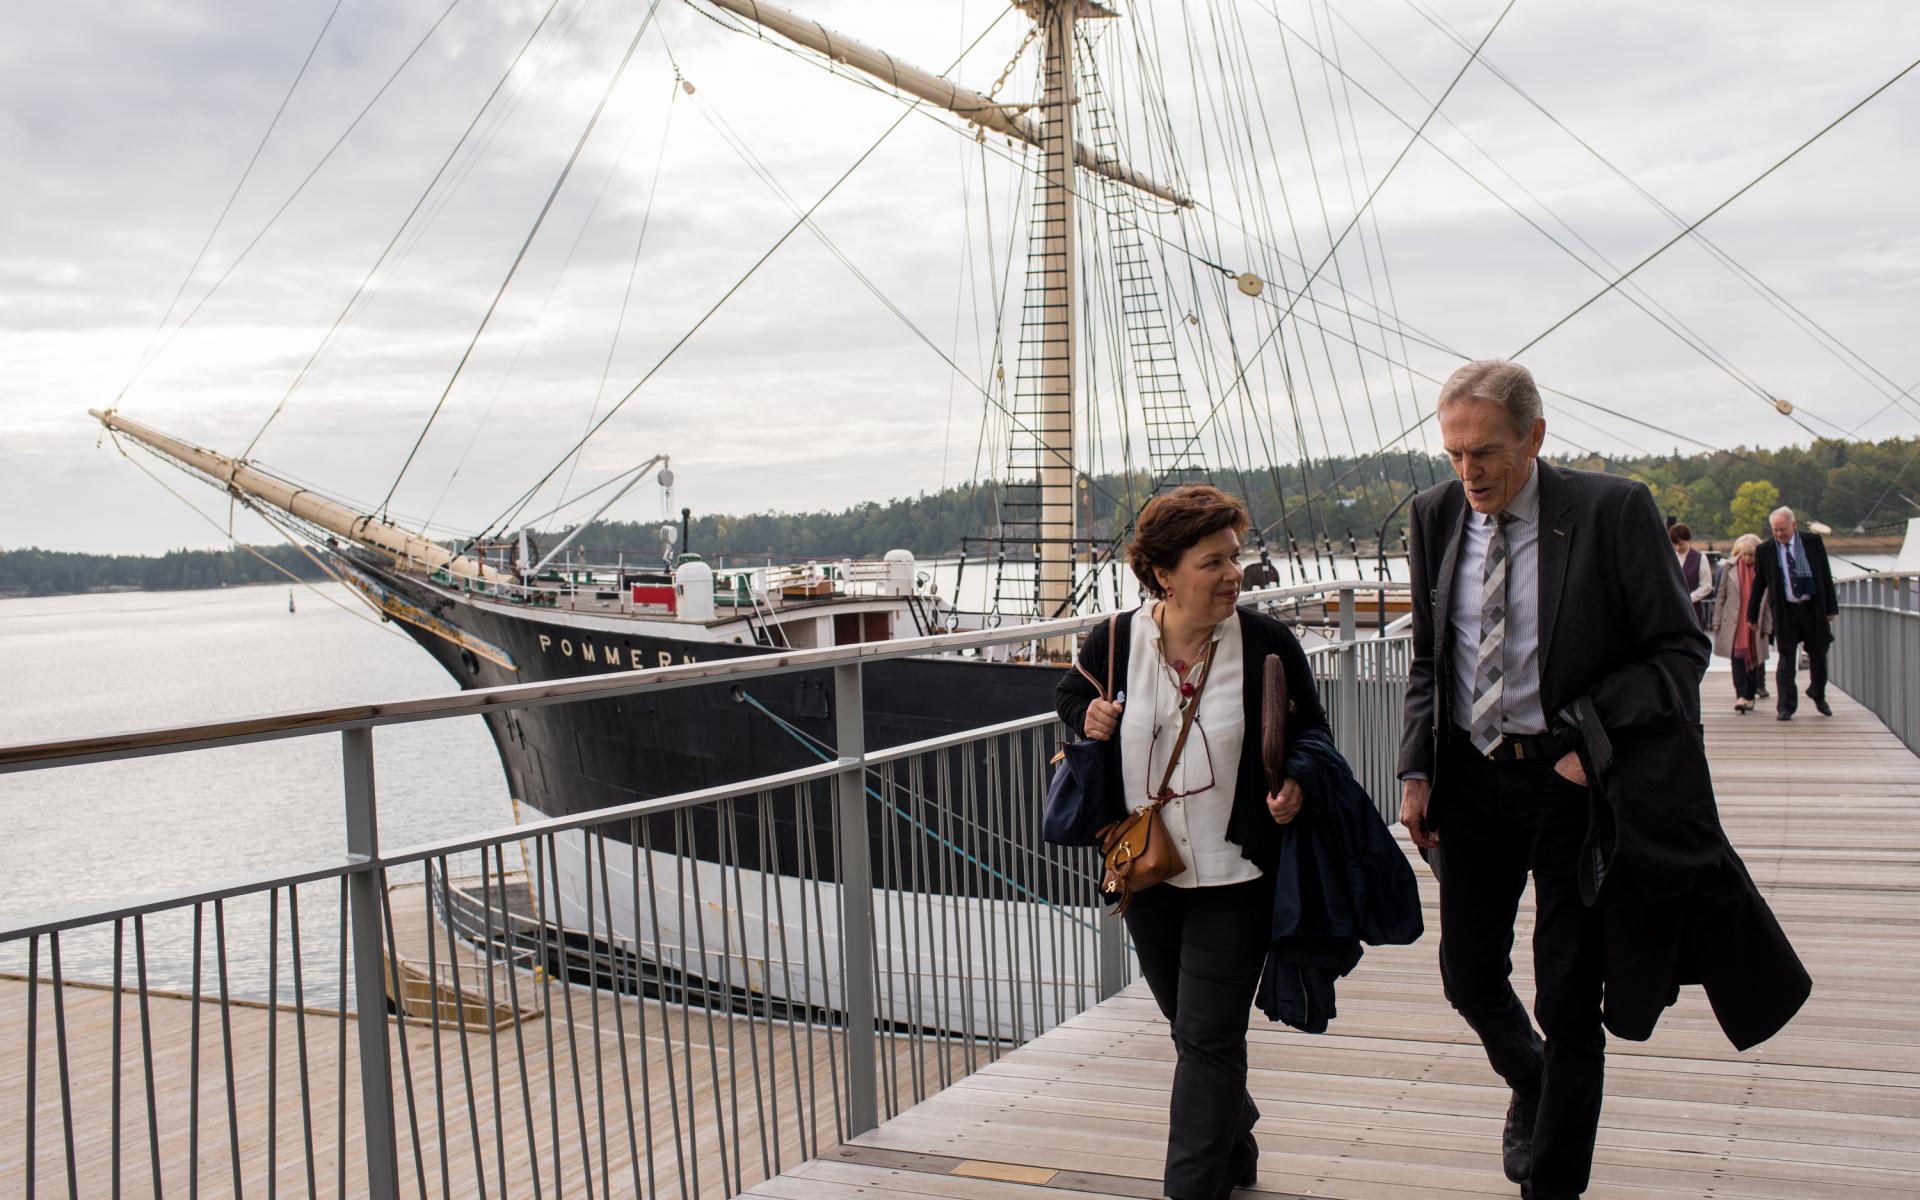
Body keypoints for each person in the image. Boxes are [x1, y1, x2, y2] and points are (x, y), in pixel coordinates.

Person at [1396, 361, 1714, 1198]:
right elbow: (1430, 661)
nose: (1471, 473)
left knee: (1569, 998)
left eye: (1488, 453)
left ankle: (1555, 1180)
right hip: (1469, 781)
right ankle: (1534, 1083)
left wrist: (1591, 735)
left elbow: (1680, 653)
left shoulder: (1612, 512)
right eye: (1456, 453)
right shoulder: (1434, 517)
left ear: (1536, 437)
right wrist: (1416, 769)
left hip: (1571, 785)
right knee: (1468, 975)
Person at [1056, 483, 1328, 1200]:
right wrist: (1088, 718)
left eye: (1235, 557)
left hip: (1237, 872)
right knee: (1191, 1030)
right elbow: (1070, 698)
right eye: (1213, 562)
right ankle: (1234, 1141)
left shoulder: (1268, 645)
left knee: (1209, 1040)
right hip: (1145, 871)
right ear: (1164, 575)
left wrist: (1298, 777)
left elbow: (1313, 735)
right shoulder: (1114, 641)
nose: (1234, 574)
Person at [1747, 505, 1838, 720]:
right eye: (1775, 530)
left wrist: (1831, 608)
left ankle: (1818, 693)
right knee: (1786, 660)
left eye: (1783, 530)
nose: (1779, 535)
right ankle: (1786, 706)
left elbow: (1825, 574)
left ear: (1793, 525)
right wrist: (1752, 616)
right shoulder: (1765, 550)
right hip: (1786, 611)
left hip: (1812, 608)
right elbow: (1759, 584)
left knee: (1819, 655)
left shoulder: (1812, 543)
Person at [1709, 534, 1772, 713]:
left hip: (1754, 622)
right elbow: (1721, 595)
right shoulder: (1730, 567)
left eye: (1751, 555)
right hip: (1734, 622)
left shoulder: (1763, 570)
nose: (1747, 558)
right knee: (1736, 659)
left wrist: (1767, 627)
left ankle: (1751, 696)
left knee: (1753, 660)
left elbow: (1767, 603)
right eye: (1744, 554)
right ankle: (1741, 696)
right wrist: (1717, 621)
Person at [1668, 523, 1713, 627]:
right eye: (1675, 544)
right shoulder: (1669, 558)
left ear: (1688, 540)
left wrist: (1689, 598)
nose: (1677, 547)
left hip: (1693, 612)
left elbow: (1706, 586)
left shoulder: (1700, 558)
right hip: (1672, 612)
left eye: (1681, 544)